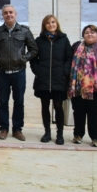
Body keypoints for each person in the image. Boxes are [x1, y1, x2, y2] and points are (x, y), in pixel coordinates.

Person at [0, 4, 38, 141]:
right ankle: (3, 129)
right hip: (2, 73)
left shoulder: (24, 31)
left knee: (19, 102)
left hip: (19, 73)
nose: (8, 15)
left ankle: (17, 130)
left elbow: (34, 50)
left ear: (15, 14)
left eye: (11, 12)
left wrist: (24, 59)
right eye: (5, 13)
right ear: (2, 15)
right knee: (3, 102)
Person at [30, 15, 72, 145]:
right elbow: (33, 58)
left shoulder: (64, 39)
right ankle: (47, 132)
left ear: (57, 24)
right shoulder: (39, 40)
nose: (51, 24)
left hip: (58, 79)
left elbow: (69, 58)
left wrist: (64, 71)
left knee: (58, 106)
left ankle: (60, 134)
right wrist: (38, 71)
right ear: (44, 25)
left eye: (53, 22)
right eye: (48, 23)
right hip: (43, 79)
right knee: (44, 106)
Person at [68, 25, 97, 147]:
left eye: (93, 32)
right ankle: (78, 135)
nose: (90, 34)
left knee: (95, 113)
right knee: (79, 112)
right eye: (87, 33)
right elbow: (70, 62)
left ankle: (95, 137)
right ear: (83, 35)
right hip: (77, 86)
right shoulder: (76, 46)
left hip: (96, 88)